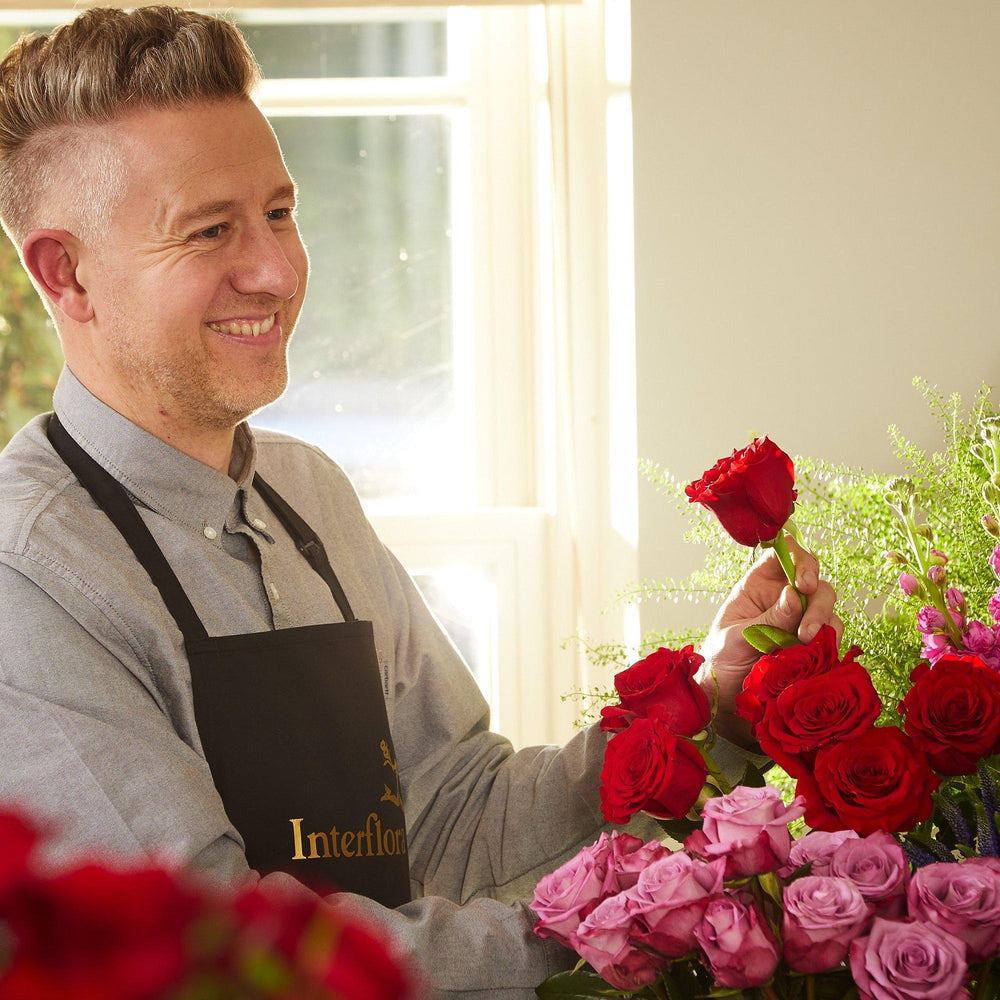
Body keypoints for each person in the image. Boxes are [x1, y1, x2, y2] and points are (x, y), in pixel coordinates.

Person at [0, 8, 838, 997]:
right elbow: (218, 956)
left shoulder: (304, 493)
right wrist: (610, 933)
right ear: (66, 273)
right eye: (210, 230)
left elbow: (455, 818)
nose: (275, 267)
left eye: (278, 210)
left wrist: (702, 710)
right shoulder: (28, 579)